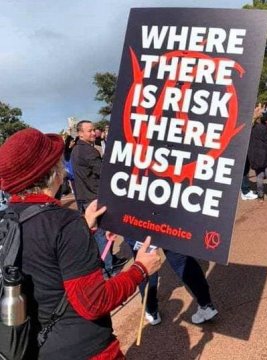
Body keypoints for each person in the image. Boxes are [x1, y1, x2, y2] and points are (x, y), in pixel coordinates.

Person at [0, 128, 161, 360]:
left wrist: (83, 228)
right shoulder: (64, 222)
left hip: (33, 348)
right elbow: (93, 302)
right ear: (53, 171)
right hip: (87, 350)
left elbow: (42, 254)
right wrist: (140, 270)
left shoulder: (7, 219)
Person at [71, 120, 128, 276]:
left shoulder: (76, 150)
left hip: (85, 197)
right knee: (102, 234)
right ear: (80, 133)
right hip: (94, 198)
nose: (93, 132)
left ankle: (109, 261)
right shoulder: (89, 151)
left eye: (94, 129)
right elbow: (104, 173)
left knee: (99, 234)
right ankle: (108, 268)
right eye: (89, 130)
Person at [125, 238, 218, 325]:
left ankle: (151, 310)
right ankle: (206, 304)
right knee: (181, 260)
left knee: (145, 263)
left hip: (140, 225)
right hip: (168, 224)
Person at [248, 115, 267, 201]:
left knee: (259, 177)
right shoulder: (266, 129)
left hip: (257, 157)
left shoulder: (251, 130)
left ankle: (260, 196)